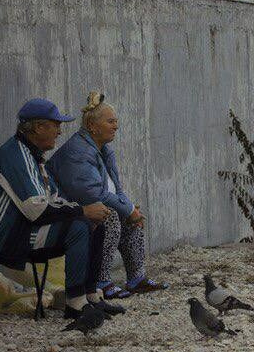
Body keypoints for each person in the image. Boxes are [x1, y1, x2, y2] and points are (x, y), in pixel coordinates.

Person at [0, 98, 121, 322]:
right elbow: (37, 209)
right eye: (56, 125)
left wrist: (85, 211)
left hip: (23, 227)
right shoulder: (16, 155)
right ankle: (75, 303)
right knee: (80, 227)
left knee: (93, 224)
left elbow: (54, 198)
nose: (60, 132)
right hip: (4, 237)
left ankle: (91, 295)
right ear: (39, 127)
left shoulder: (33, 155)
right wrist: (82, 210)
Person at [49, 92, 167, 300]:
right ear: (92, 126)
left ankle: (136, 279)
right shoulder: (78, 153)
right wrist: (127, 209)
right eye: (111, 121)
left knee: (128, 214)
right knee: (109, 215)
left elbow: (116, 190)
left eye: (116, 121)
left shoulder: (103, 150)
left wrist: (130, 209)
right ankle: (100, 281)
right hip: (66, 213)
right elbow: (94, 195)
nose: (116, 126)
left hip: (90, 207)